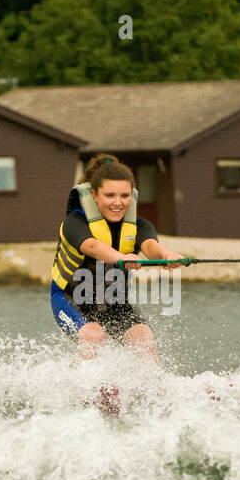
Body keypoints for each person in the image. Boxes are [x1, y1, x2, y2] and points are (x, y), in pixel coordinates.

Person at [50, 153, 186, 362]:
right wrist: (122, 257)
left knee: (143, 336)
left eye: (124, 196)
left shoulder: (140, 225)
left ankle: (158, 392)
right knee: (92, 334)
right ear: (95, 195)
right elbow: (93, 246)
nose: (118, 203)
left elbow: (150, 246)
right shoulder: (75, 222)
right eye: (110, 195)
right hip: (69, 299)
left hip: (114, 300)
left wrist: (167, 256)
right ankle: (87, 392)